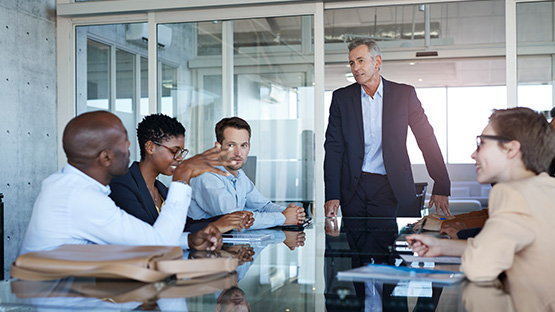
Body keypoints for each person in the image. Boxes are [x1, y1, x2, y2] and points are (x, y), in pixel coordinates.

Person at [19, 111, 233, 255]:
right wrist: (183, 176)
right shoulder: (79, 197)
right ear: (105, 157)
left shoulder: (69, 188)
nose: (130, 147)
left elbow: (145, 239)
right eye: (123, 142)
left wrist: (188, 241)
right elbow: (157, 243)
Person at [407, 107, 555, 312]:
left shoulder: (511, 194)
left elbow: (479, 267)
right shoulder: (545, 187)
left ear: (511, 149)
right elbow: (503, 249)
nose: (473, 154)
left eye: (482, 143)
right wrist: (443, 248)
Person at [324, 38, 451, 218]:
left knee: (383, 243)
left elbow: (426, 138)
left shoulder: (404, 95)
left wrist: (441, 183)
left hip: (389, 185)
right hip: (353, 188)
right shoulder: (341, 98)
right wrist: (332, 194)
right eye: (352, 63)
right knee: (353, 244)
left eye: (361, 61)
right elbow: (333, 148)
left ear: (377, 62)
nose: (355, 68)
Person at [109, 114, 254, 234]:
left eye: (181, 152)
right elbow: (150, 235)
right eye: (174, 151)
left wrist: (227, 220)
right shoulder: (121, 186)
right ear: (150, 147)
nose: (179, 158)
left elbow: (185, 225)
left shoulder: (160, 189)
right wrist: (181, 176)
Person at [188, 117, 305, 229]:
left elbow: (263, 206)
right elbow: (234, 218)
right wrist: (283, 218)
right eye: (231, 145)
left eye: (243, 145)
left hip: (230, 244)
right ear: (218, 148)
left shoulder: (239, 175)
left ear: (249, 147)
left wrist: (292, 214)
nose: (238, 153)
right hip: (205, 247)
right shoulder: (207, 176)